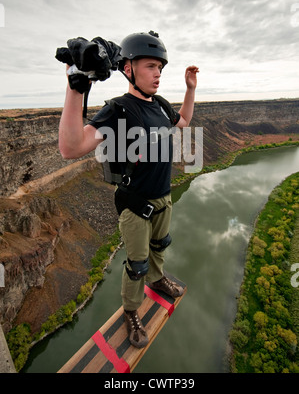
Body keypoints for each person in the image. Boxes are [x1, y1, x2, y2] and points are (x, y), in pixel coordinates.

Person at [59, 31, 199, 348]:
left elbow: (185, 122)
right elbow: (71, 147)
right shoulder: (118, 110)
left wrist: (191, 89)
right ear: (128, 69)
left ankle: (158, 277)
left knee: (160, 245)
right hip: (135, 204)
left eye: (160, 67)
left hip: (164, 196)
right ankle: (131, 311)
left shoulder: (162, 106)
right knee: (136, 264)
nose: (158, 74)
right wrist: (75, 85)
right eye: (150, 66)